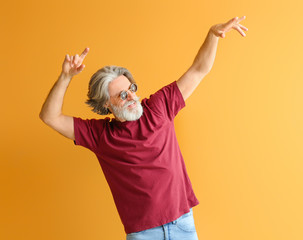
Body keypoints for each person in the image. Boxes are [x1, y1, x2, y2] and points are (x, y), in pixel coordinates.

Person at [40, 16, 248, 240]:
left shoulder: (159, 106)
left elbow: (198, 70)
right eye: (121, 94)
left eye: (131, 88)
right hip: (143, 235)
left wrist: (213, 35)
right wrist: (65, 77)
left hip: (183, 224)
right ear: (106, 105)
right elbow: (50, 116)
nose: (131, 96)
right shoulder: (99, 135)